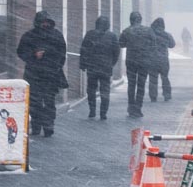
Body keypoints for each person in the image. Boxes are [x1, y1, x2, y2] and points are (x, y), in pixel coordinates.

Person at [16, 10, 68, 138]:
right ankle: (36, 125)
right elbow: (21, 51)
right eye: (42, 22)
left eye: (47, 22)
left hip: (50, 75)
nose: (45, 24)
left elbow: (61, 54)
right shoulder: (29, 36)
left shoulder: (56, 35)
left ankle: (48, 125)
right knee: (34, 102)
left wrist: (53, 63)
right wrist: (34, 55)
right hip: (34, 74)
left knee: (49, 101)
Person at [78, 16, 120, 120]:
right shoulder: (112, 36)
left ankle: (92, 110)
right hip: (106, 67)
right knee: (105, 90)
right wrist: (111, 63)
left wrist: (83, 64)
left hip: (92, 67)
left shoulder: (90, 34)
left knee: (91, 89)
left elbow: (83, 50)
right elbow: (116, 52)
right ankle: (103, 113)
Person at [119, 11, 159, 118]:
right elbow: (154, 46)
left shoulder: (127, 31)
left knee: (131, 85)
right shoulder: (148, 31)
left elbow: (121, 44)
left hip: (131, 61)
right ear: (140, 19)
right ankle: (138, 108)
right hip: (144, 62)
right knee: (141, 85)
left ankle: (131, 107)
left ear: (131, 20)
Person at [147, 15, 177, 103]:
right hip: (164, 60)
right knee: (165, 78)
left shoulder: (150, 34)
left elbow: (145, 45)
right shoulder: (167, 35)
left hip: (152, 60)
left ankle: (153, 96)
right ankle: (167, 95)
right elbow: (172, 45)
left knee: (153, 79)